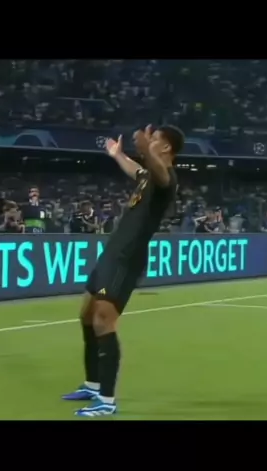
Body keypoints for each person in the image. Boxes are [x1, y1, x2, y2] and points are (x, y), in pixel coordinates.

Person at [63, 124, 184, 417]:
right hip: (112, 253)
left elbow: (157, 171)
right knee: (87, 315)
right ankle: (93, 384)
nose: (150, 140)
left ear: (166, 147)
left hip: (127, 258)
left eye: (155, 139)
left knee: (104, 320)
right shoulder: (148, 177)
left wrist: (144, 149)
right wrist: (118, 155)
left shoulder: (166, 180)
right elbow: (136, 170)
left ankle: (107, 401)